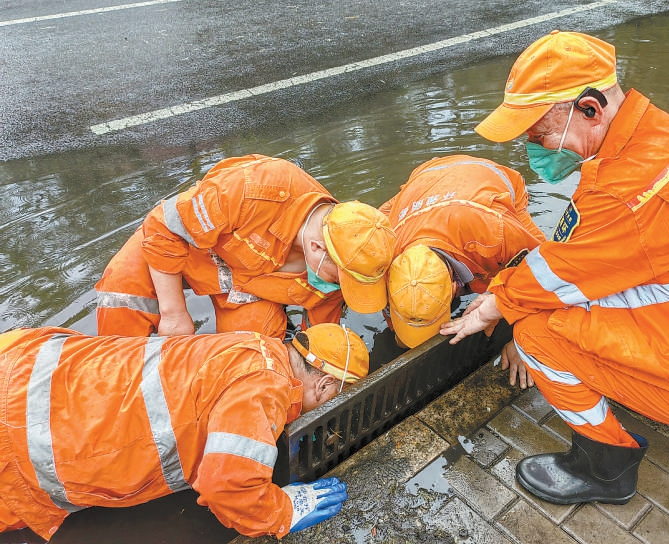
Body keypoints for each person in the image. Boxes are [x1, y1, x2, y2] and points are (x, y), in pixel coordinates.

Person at [440, 30, 669, 506]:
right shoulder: (656, 136)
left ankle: (604, 466)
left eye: (542, 134)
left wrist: (491, 307)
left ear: (589, 109)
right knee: (549, 303)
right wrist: (507, 290)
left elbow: (557, 273)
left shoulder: (628, 192)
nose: (537, 150)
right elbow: (576, 256)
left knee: (536, 335)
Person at [0, 322, 369, 540]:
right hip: (20, 444)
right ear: (324, 386)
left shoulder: (250, 344)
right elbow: (225, 487)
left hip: (25, 360)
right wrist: (284, 510)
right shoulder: (266, 387)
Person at [95, 154, 396, 339]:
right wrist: (174, 313)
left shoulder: (349, 252)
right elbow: (162, 226)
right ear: (316, 248)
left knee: (257, 350)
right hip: (182, 249)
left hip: (237, 291)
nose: (337, 288)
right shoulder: (255, 189)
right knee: (121, 291)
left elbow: (321, 331)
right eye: (337, 280)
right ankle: (123, 380)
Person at [379, 155, 545, 369]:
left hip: (483, 181)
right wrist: (402, 337)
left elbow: (545, 275)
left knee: (522, 276)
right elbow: (397, 326)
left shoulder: (495, 232)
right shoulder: (385, 253)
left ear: (455, 285)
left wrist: (522, 341)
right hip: (423, 183)